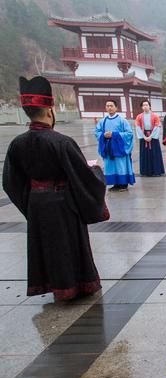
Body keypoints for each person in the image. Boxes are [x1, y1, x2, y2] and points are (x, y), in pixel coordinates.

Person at [3, 76, 108, 301]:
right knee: (68, 245)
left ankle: (53, 285)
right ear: (50, 111)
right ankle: (77, 285)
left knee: (47, 246)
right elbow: (84, 176)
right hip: (63, 203)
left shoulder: (17, 144)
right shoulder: (61, 142)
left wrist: (29, 202)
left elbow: (11, 182)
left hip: (36, 203)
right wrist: (96, 171)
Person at [95, 99, 135, 191]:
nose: (109, 108)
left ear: (116, 107)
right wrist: (103, 135)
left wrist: (114, 135)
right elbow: (97, 132)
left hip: (119, 148)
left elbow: (129, 133)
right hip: (108, 147)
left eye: (111, 106)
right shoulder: (103, 121)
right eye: (107, 106)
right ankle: (116, 184)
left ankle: (124, 184)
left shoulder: (122, 121)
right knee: (110, 166)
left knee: (121, 165)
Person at [135, 99, 165, 177]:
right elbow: (137, 127)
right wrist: (144, 136)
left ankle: (156, 171)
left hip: (153, 136)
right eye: (143, 105)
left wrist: (151, 136)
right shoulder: (139, 116)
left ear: (150, 106)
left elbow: (157, 126)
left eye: (147, 105)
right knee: (144, 154)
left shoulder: (155, 116)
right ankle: (145, 171)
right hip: (143, 135)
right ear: (142, 107)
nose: (145, 107)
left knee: (155, 154)